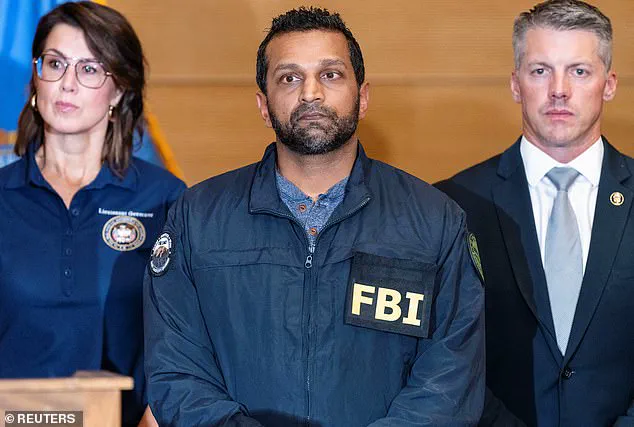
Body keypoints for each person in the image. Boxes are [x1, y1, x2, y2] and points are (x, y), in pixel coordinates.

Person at [144, 6, 484, 427]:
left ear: (362, 97)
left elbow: (448, 383)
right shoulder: (197, 219)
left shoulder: (434, 222)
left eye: (330, 74)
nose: (310, 93)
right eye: (289, 78)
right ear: (263, 105)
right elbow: (177, 373)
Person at [436, 0, 634, 425]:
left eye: (579, 71)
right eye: (541, 70)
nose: (559, 89)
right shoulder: (453, 205)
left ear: (609, 84)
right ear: (515, 84)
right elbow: (443, 359)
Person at [0, 2, 185, 426]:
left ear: (118, 91)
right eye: (55, 64)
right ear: (36, 79)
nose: (67, 84)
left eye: (88, 69)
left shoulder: (165, 200)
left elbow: (192, 341)